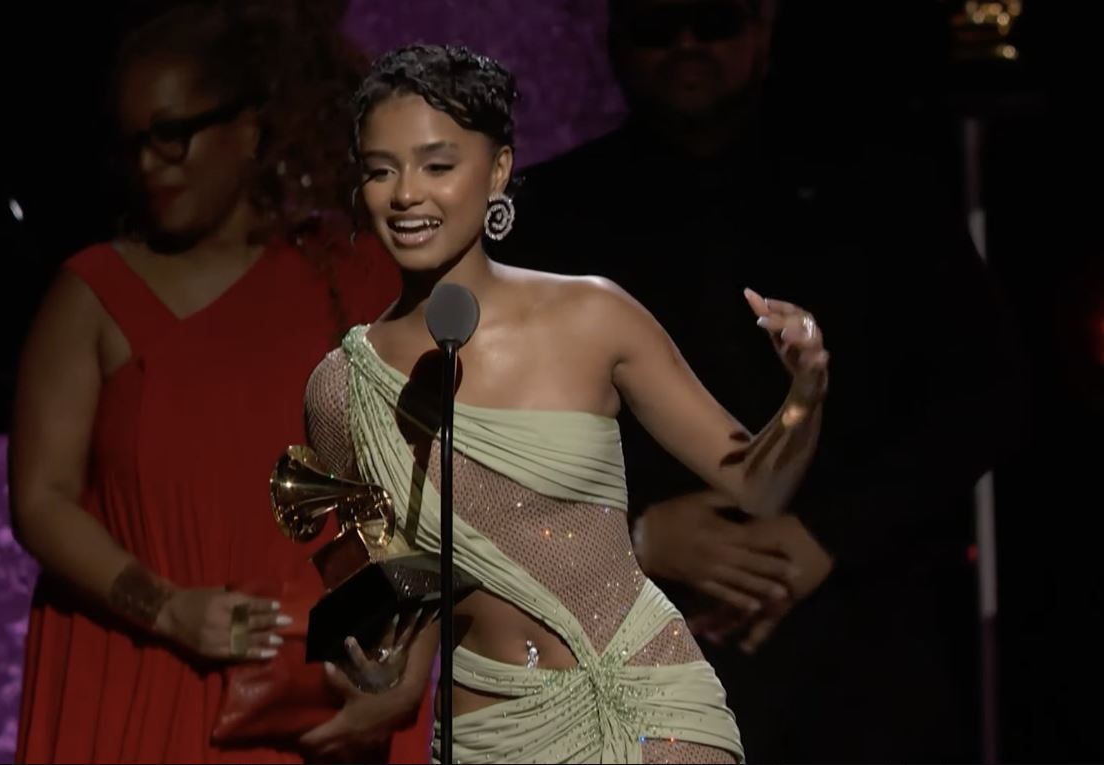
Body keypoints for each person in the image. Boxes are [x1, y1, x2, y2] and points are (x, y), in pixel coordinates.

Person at [491, 0, 1022, 760]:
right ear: (614, 35)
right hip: (624, 668)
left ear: (764, 25)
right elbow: (474, 438)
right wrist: (632, 534)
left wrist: (826, 534)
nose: (686, 45)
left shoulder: (880, 188)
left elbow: (987, 391)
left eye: (714, 20)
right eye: (656, 26)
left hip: (864, 661)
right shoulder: (543, 216)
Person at [304, 43, 831, 764]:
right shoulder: (343, 389)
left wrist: (806, 391)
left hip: (651, 711)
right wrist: (378, 664)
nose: (406, 195)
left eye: (437, 166)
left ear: (497, 171)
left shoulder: (593, 318)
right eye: (380, 170)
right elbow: (396, 597)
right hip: (490, 734)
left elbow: (758, 484)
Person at [8, 3, 433, 762]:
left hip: (323, 689)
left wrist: (408, 666)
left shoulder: (356, 277)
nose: (150, 165)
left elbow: (429, 489)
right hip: (140, 669)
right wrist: (167, 609)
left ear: (251, 126)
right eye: (133, 144)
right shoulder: (94, 294)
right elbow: (41, 499)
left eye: (172, 135)